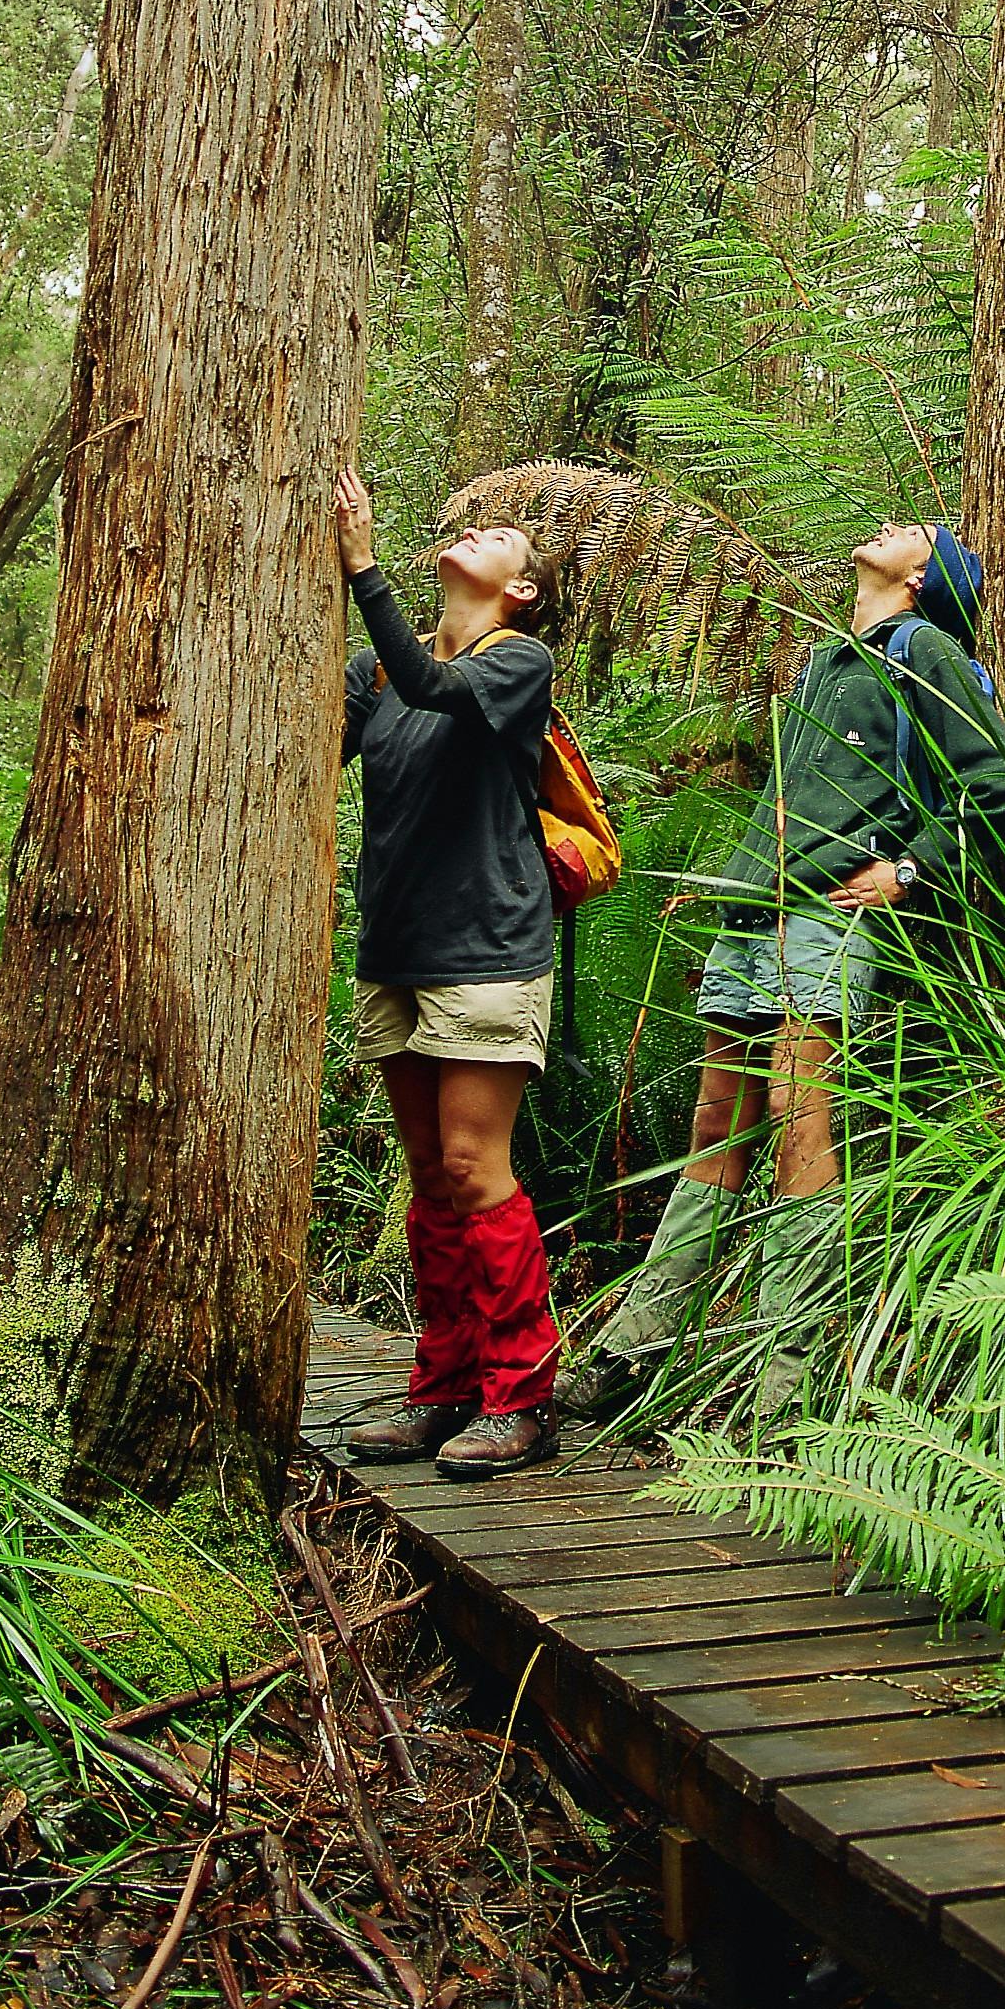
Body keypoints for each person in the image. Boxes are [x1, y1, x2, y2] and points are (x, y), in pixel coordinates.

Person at [573, 519, 1005, 1423]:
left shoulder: (923, 648)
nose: (892, 527)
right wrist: (730, 885)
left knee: (798, 1126)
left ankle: (783, 1386)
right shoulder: (830, 659)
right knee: (716, 1124)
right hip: (758, 910)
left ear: (922, 574)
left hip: (828, 917)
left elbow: (999, 786)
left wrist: (907, 870)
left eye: (915, 532)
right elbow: (795, 797)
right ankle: (633, 1348)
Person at [330, 466, 565, 1480]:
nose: (482, 535)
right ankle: (443, 1385)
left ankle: (521, 1396)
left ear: (521, 589)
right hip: (395, 948)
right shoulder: (374, 672)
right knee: (428, 1180)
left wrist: (362, 564)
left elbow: (438, 688)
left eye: (505, 540)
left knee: (474, 1169)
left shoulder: (518, 661)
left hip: (487, 949)